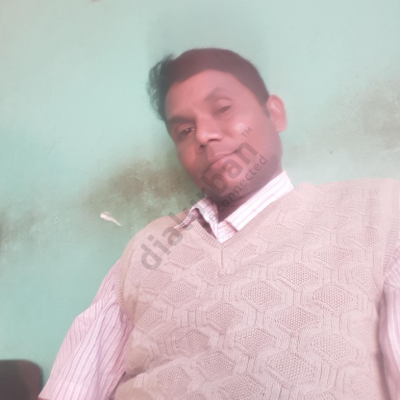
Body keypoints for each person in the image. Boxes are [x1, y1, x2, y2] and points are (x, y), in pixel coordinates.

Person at [39, 48, 400, 400]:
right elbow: (70, 389)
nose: (203, 135)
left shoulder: (378, 212)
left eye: (223, 109)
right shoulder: (148, 249)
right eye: (184, 130)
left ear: (274, 113)